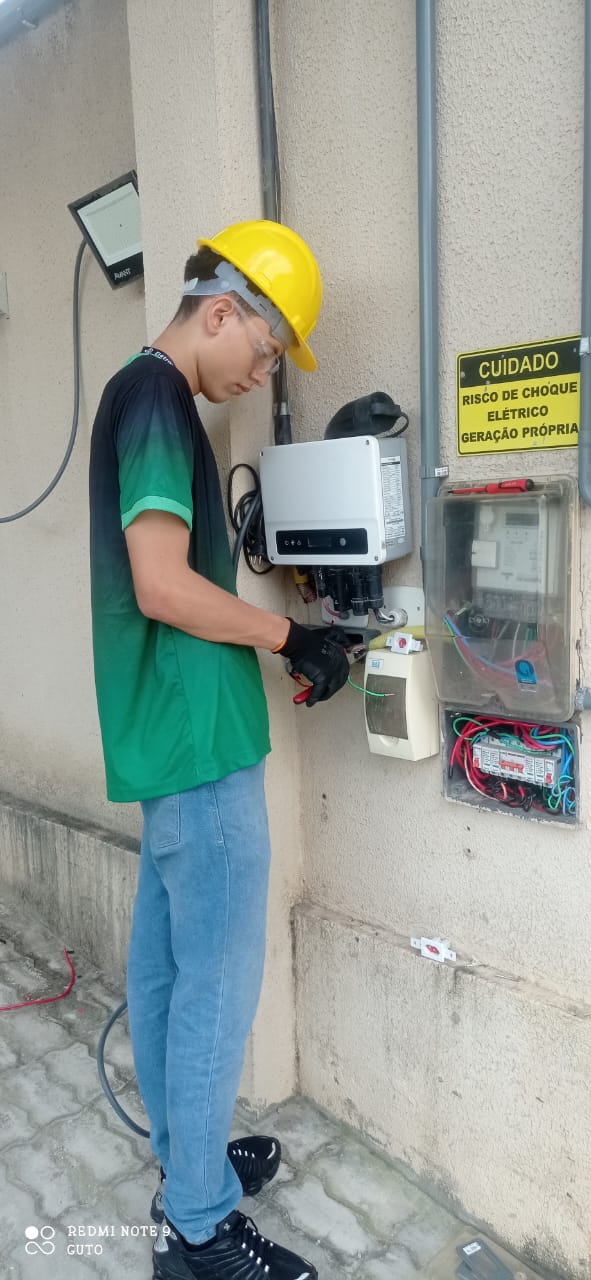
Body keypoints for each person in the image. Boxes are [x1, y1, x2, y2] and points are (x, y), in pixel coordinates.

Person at [88, 219, 349, 1280]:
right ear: (221, 311)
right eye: (268, 347)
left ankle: (185, 1158)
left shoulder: (139, 394)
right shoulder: (157, 399)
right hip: (200, 748)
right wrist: (291, 635)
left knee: (164, 974)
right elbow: (161, 584)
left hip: (167, 738)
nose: (263, 372)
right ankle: (197, 1228)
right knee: (216, 988)